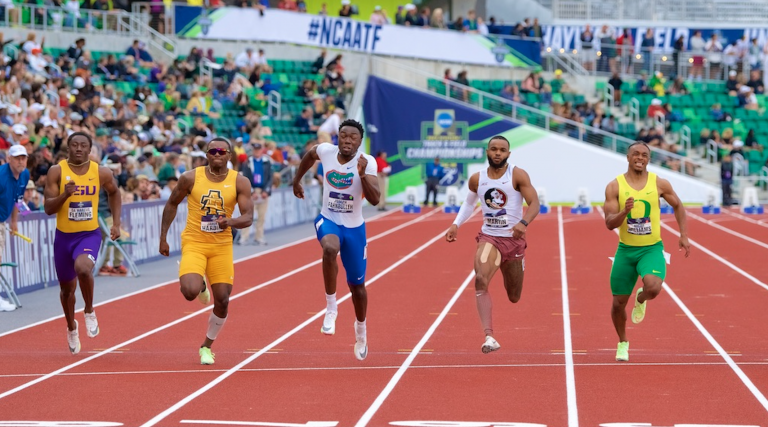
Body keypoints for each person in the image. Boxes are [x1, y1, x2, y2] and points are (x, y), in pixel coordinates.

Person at [159, 137, 253, 365]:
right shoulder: (190, 177)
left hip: (221, 246)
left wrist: (230, 222)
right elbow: (172, 203)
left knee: (222, 300)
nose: (217, 154)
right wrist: (163, 237)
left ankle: (206, 346)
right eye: (212, 151)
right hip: (195, 242)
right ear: (206, 155)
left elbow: (248, 217)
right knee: (189, 291)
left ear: (229, 155)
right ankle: (200, 284)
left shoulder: (240, 181)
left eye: (222, 151)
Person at [292, 119, 379, 361]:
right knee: (330, 248)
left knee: (357, 287)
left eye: (353, 137)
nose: (347, 140)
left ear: (359, 142)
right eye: (343, 136)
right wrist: (297, 180)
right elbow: (310, 155)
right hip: (328, 219)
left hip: (354, 228)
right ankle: (331, 308)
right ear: (337, 137)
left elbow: (375, 199)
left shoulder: (367, 162)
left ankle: (361, 331)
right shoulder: (326, 151)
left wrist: (362, 175)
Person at [445, 135, 540, 354]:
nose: (498, 153)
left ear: (508, 154)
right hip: (490, 237)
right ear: (487, 151)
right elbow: (469, 204)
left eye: (502, 150)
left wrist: (524, 222)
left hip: (514, 242)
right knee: (480, 279)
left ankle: (516, 265)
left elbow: (534, 203)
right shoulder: (477, 179)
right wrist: (455, 224)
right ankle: (489, 336)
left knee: (514, 296)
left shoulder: (517, 175)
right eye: (494, 149)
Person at [603, 141, 691, 362]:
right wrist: (624, 211)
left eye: (644, 155)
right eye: (636, 154)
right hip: (626, 251)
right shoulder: (614, 186)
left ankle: (641, 298)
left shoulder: (659, 183)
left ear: (649, 159)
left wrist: (683, 234)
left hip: (651, 248)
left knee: (653, 287)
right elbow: (609, 223)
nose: (640, 158)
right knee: (618, 304)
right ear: (628, 157)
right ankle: (623, 342)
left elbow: (678, 205)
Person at [43, 133, 122, 354]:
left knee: (84, 268)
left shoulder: (101, 172)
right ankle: (71, 327)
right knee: (66, 291)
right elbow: (48, 208)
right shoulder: (57, 171)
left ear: (90, 149)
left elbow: (114, 193)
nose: (79, 148)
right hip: (64, 238)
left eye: (83, 145)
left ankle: (89, 310)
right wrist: (64, 196)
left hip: (89, 234)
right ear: (68, 148)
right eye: (75, 145)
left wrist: (116, 223)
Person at [0, 146, 30, 311]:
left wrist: (14, 221)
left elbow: (17, 199)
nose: (20, 161)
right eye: (17, 158)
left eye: (23, 158)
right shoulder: (1, 176)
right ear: (9, 159)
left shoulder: (25, 174)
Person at [238, 142, 273, 245]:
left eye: (258, 149)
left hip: (263, 190)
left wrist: (266, 191)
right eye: (255, 150)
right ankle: (244, 237)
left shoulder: (266, 162)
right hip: (251, 191)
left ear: (261, 150)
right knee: (247, 215)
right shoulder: (248, 162)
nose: (257, 151)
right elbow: (245, 178)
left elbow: (270, 177)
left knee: (261, 216)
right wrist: (251, 191)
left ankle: (259, 236)